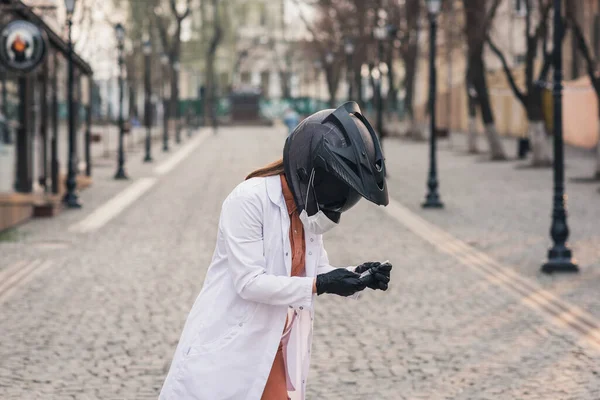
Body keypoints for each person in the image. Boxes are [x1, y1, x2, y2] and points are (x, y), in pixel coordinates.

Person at [159, 102, 392, 400]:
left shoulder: (306, 210)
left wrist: (357, 276)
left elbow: (316, 272)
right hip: (233, 345)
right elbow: (249, 282)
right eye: (337, 189)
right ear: (312, 173)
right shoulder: (247, 201)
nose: (338, 202)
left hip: (274, 345)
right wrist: (320, 285)